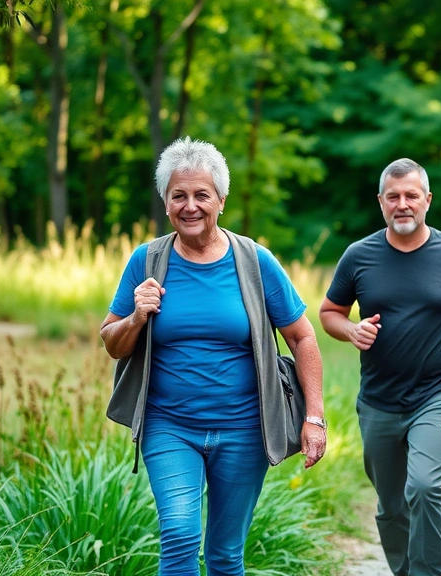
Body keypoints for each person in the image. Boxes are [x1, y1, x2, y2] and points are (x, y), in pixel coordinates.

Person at [100, 136, 327, 576]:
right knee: (181, 534)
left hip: (245, 429)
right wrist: (136, 317)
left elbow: (302, 338)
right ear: (165, 203)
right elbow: (111, 342)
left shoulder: (255, 261)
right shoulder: (147, 261)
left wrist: (313, 417)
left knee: (225, 554)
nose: (190, 206)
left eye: (201, 195)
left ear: (220, 200)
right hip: (169, 426)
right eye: (178, 195)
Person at [320, 158, 441, 576]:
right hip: (379, 401)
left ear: (427, 200)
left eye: (411, 196)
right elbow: (329, 311)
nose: (402, 204)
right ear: (381, 202)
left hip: (437, 395)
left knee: (425, 487)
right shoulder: (359, 255)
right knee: (390, 507)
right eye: (394, 196)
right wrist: (351, 331)